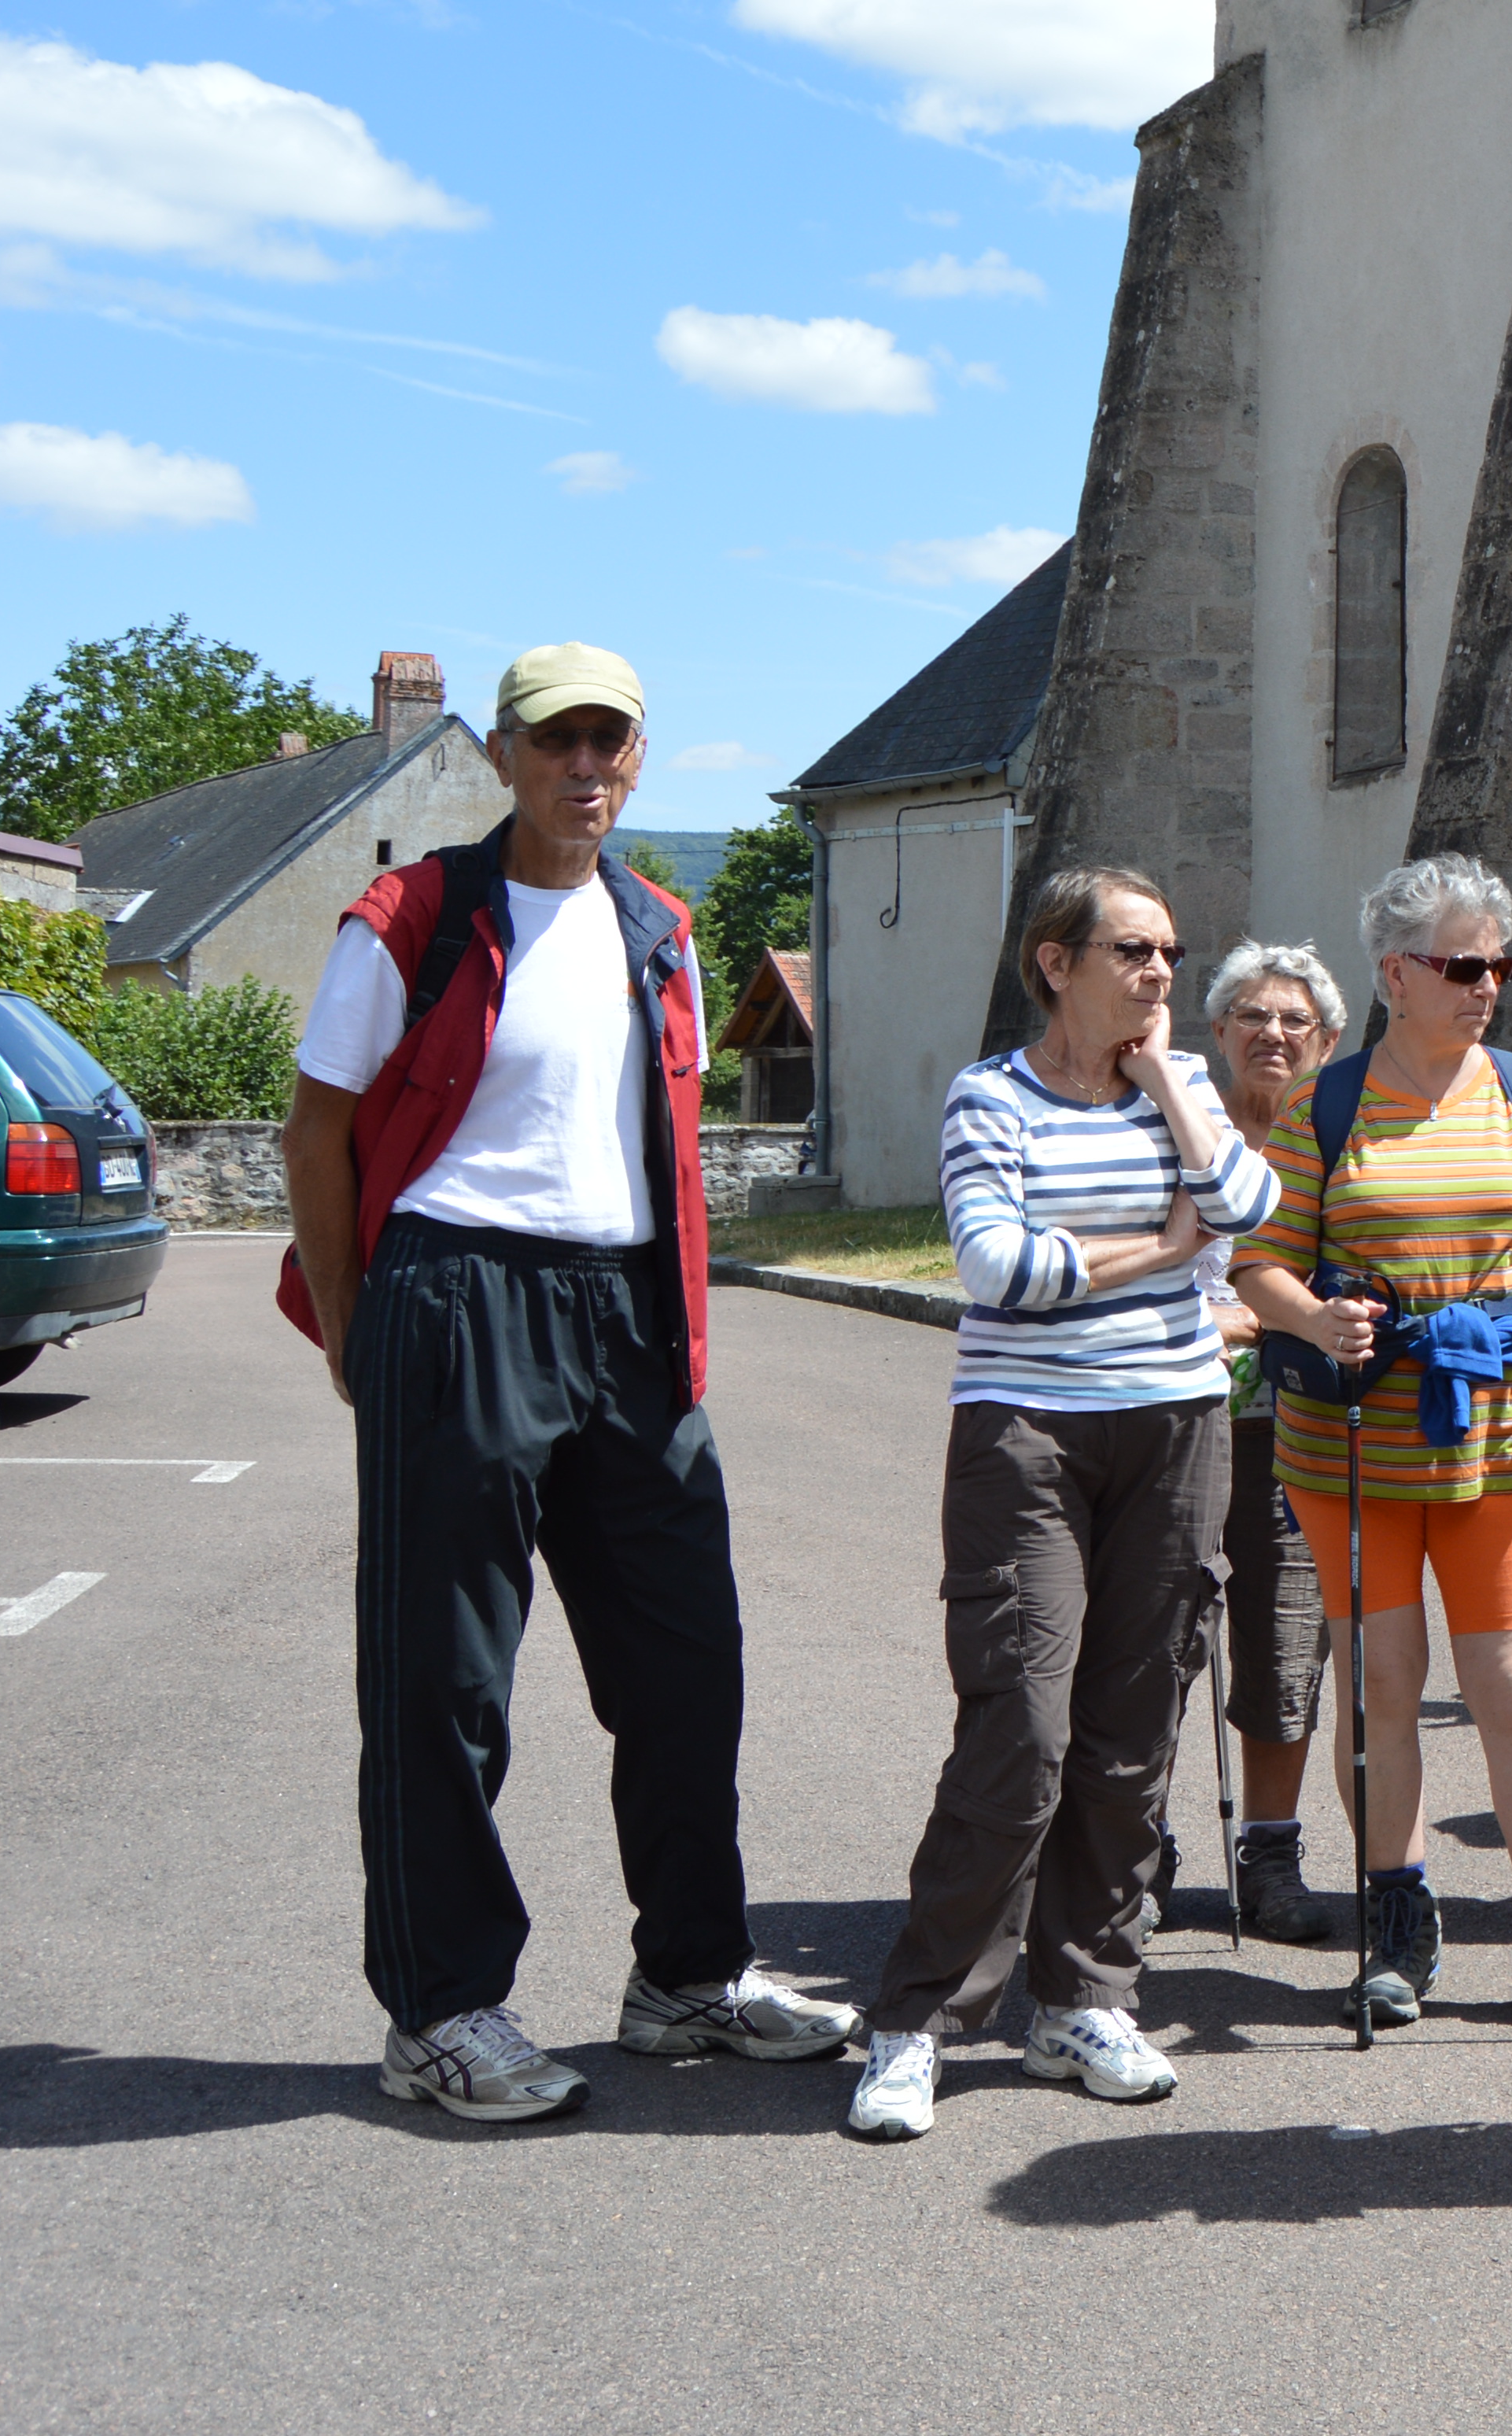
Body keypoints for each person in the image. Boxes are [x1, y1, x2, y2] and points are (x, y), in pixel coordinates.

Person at [278, 641, 859, 2124]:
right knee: (444, 1677)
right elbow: (316, 1135)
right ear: (506, 757)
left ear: (641, 759)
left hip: (624, 1314)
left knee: (686, 1660)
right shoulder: (415, 914)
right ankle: (442, 2009)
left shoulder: (657, 926)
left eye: (609, 744)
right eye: (555, 743)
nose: (582, 768)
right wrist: (359, 1332)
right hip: (455, 1288)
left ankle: (688, 1976)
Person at [845, 866, 1283, 2139]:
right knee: (1023, 1732)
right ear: (1056, 963)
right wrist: (1165, 1249)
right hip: (1026, 1437)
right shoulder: (993, 1098)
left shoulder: (1182, 1087)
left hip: (1177, 1427)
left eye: (1171, 952)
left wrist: (1165, 1094)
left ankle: (1084, 1997)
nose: (1159, 974)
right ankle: (915, 2021)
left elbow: (1249, 1212)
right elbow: (999, 1268)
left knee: (1133, 1727)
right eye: (1133, 951)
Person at [1233, 855, 1512, 2040]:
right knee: (1380, 1686)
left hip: (1502, 1441)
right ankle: (1396, 1920)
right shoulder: (1327, 1107)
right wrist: (1312, 1317)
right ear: (1398, 974)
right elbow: (1262, 1262)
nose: (1486, 985)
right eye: (1463, 965)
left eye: (1499, 964)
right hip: (1354, 1445)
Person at [1200, 940, 1345, 1947]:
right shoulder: (1179, 1134)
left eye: (1295, 1020)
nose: (1274, 1033)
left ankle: (1271, 1850)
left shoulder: (1345, 1143)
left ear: (1329, 1041)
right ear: (1217, 1033)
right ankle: (1133, 1842)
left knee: (1287, 1635)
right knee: (1152, 1635)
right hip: (1172, 1419)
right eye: (1252, 1014)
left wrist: (1254, 1317)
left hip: (1299, 1426)